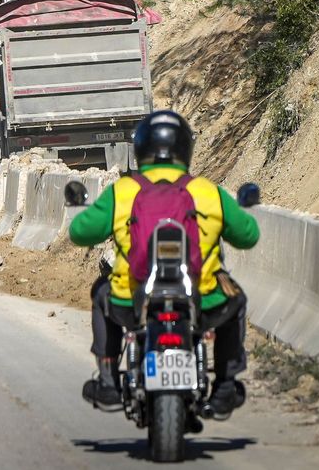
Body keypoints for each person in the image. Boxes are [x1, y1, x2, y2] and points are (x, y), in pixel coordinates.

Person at [67, 110, 260, 418]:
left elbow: (79, 232)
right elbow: (248, 236)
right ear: (186, 149)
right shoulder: (207, 191)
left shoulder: (123, 191)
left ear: (140, 148)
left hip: (131, 299)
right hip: (203, 298)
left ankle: (108, 383)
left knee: (102, 292)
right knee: (236, 300)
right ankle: (224, 388)